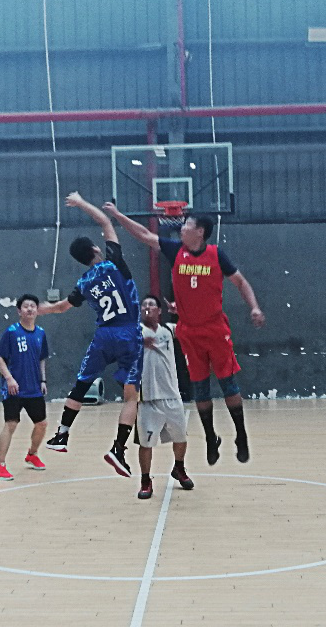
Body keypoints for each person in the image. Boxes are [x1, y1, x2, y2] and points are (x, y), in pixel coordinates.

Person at [104, 202, 265, 465]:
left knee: (228, 384)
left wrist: (254, 307)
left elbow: (241, 282)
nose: (182, 227)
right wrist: (119, 215)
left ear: (200, 231)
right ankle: (211, 437)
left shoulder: (216, 255)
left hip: (215, 329)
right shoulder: (175, 250)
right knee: (200, 389)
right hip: (189, 331)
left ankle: (241, 434)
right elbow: (143, 235)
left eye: (188, 224)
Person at [39, 192, 143, 478]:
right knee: (130, 397)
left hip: (103, 336)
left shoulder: (84, 283)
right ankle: (118, 450)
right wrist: (82, 202)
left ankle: (62, 434)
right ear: (96, 248)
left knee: (81, 385)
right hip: (129, 333)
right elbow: (106, 223)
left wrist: (42, 310)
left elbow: (62, 307)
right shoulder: (114, 264)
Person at [137, 295, 195, 500]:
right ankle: (145, 480)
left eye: (151, 304)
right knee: (146, 443)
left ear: (159, 310)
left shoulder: (169, 330)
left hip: (171, 395)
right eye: (144, 304)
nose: (147, 307)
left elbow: (192, 327)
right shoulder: (134, 332)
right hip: (148, 397)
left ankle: (179, 467)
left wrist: (181, 313)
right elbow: (120, 343)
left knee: (181, 438)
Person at [0, 295, 50, 480]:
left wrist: (43, 380)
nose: (30, 309)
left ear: (37, 311)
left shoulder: (41, 333)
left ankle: (32, 454)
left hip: (34, 388)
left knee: (41, 424)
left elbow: (42, 359)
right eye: (26, 306)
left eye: (33, 306)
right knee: (11, 424)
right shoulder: (11, 332)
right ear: (19, 311)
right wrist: (9, 379)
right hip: (14, 389)